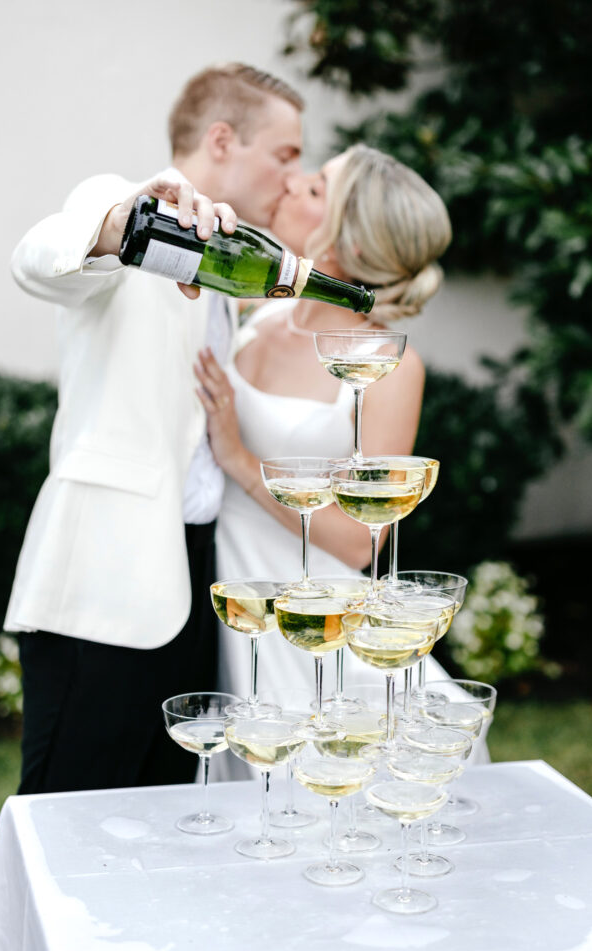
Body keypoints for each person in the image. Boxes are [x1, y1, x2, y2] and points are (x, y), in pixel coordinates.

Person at [0, 63, 304, 951]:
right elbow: (40, 257)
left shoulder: (244, 260)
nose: (290, 173)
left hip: (195, 583)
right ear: (220, 142)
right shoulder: (123, 204)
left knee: (158, 832)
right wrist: (124, 220)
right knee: (55, 837)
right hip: (105, 584)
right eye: (283, 151)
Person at [194, 144, 476, 746]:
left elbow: (357, 543)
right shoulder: (264, 314)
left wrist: (242, 464)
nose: (292, 185)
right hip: (229, 594)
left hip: (313, 617)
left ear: (349, 247)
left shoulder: (392, 367)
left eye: (317, 189)